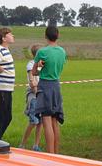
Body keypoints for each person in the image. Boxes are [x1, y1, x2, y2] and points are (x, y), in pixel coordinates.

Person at [32, 26, 67, 154]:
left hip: (45, 86)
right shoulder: (62, 52)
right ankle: (56, 153)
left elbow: (35, 72)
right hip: (56, 86)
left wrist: (40, 66)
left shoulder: (42, 52)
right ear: (58, 35)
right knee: (55, 121)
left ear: (45, 36)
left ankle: (50, 154)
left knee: (46, 120)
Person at [19, 44, 43, 150]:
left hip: (42, 95)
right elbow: (32, 82)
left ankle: (36, 145)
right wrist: (36, 87)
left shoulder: (41, 65)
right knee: (33, 121)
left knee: (40, 122)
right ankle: (22, 144)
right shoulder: (31, 64)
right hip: (34, 96)